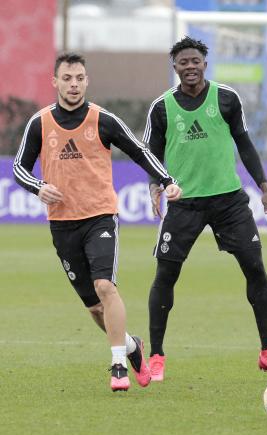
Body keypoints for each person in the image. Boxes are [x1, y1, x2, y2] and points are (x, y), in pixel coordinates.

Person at [12, 52, 182, 391]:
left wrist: (166, 181)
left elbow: (139, 150)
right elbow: (19, 167)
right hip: (62, 223)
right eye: (67, 78)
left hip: (100, 216)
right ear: (55, 82)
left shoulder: (103, 120)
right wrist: (38, 187)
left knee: (105, 286)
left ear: (87, 81)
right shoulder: (40, 123)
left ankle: (118, 365)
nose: (73, 84)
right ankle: (131, 346)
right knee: (94, 307)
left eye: (79, 78)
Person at [142, 36, 267, 381]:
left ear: (205, 64)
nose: (190, 67)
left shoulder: (227, 98)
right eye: (183, 62)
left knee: (255, 269)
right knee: (166, 275)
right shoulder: (162, 107)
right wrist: (155, 186)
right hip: (184, 202)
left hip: (229, 201)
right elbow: (151, 154)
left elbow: (245, 144)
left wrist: (265, 188)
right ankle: (157, 355)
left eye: (195, 61)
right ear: (175, 67)